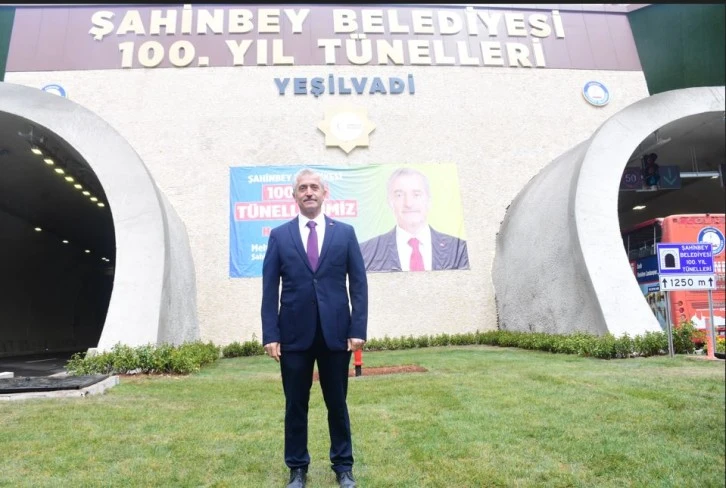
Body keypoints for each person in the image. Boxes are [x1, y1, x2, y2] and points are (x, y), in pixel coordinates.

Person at [261, 167, 368, 488]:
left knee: (337, 403)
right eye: (303, 188)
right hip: (293, 336)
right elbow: (269, 289)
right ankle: (297, 468)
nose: (309, 192)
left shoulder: (344, 233)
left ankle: (343, 466)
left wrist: (358, 328)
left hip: (336, 335)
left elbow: (358, 285)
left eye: (314, 187)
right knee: (295, 404)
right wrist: (271, 334)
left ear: (324, 193)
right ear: (294, 195)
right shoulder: (280, 236)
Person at [359, 167, 470, 272]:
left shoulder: (458, 249)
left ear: (429, 200)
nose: (409, 203)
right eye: (399, 195)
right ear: (389, 202)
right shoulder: (367, 251)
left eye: (416, 195)